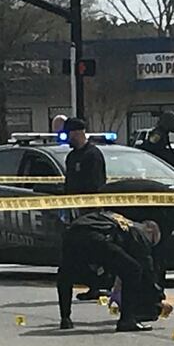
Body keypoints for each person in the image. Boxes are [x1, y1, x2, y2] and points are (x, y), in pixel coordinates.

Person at [57, 211, 168, 331]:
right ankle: (127, 320)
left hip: (72, 233)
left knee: (65, 274)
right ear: (150, 230)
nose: (149, 245)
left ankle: (65, 318)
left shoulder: (119, 220)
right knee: (134, 270)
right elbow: (147, 269)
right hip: (97, 237)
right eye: (152, 241)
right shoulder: (139, 231)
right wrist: (158, 298)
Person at [58, 117, 108, 303]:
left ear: (78, 132)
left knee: (92, 246)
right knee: (81, 248)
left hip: (91, 209)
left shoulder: (92, 155)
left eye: (70, 134)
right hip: (76, 208)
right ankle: (91, 283)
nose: (68, 138)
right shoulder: (72, 156)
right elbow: (69, 183)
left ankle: (98, 284)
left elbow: (95, 184)